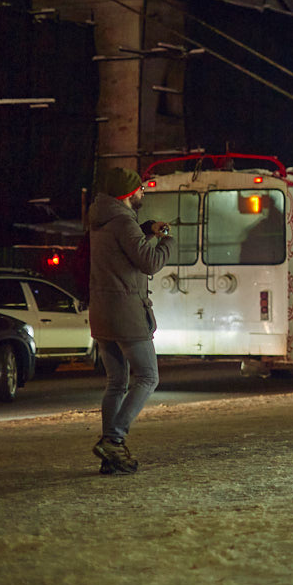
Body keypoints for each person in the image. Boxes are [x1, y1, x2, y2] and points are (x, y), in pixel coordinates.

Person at [87, 167, 173, 474]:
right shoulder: (123, 221)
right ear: (127, 194)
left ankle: (112, 457)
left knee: (116, 382)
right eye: (139, 190)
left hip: (102, 312)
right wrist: (166, 241)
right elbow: (148, 262)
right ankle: (114, 438)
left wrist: (147, 228)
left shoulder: (101, 219)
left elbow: (126, 247)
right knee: (148, 377)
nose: (143, 193)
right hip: (126, 313)